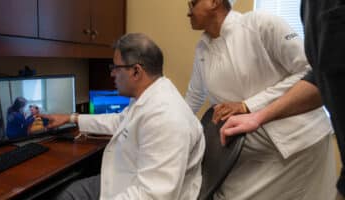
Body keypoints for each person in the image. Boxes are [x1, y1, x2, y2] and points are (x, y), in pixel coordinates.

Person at [185, 0, 336, 199]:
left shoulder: (261, 24)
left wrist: (248, 105)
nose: (188, 12)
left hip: (297, 146)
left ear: (214, 2)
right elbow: (194, 97)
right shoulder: (203, 48)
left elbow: (309, 72)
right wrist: (173, 130)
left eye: (193, 3)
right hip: (247, 151)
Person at [41, 33, 205, 200]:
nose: (112, 74)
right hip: (127, 179)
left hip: (135, 191)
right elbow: (119, 121)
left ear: (136, 71)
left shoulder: (165, 117)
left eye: (115, 68)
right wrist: (71, 118)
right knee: (69, 192)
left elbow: (153, 196)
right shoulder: (148, 97)